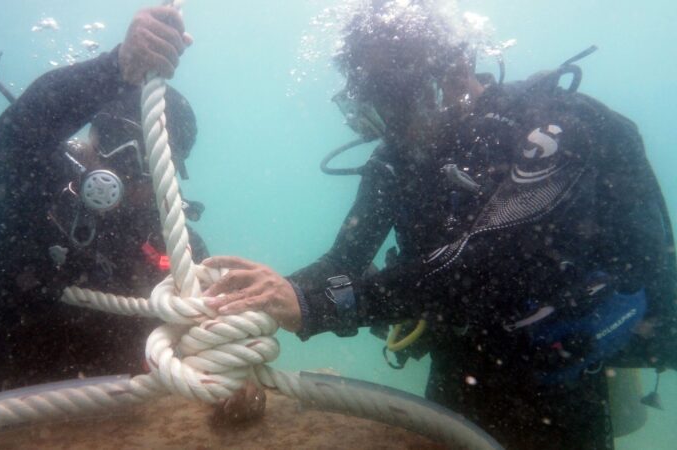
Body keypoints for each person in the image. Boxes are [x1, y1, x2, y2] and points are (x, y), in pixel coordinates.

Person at [202, 1, 677, 448]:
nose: (389, 118)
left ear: (455, 68)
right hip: (459, 362)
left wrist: (314, 305)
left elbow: (482, 266)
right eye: (374, 97)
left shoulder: (546, 130)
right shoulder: (397, 157)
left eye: (394, 93)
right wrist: (260, 301)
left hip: (556, 378)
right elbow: (343, 259)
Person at [0, 6, 261, 423]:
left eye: (144, 156)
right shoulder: (36, 190)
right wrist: (118, 68)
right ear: (88, 137)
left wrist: (232, 376)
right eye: (112, 139)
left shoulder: (178, 252)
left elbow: (208, 339)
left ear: (169, 172)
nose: (120, 164)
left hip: (103, 422)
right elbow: (17, 135)